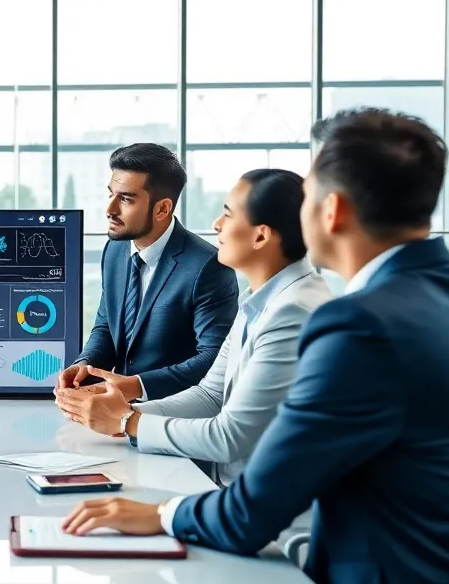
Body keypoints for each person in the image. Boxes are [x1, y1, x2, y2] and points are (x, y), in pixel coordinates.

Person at [60, 109, 449, 584]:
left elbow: (250, 513)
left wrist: (157, 512)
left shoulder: (359, 325)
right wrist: (123, 419)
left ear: (332, 211)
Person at [59, 169, 332, 488]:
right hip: (226, 490)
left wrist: (127, 421)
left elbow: (229, 437)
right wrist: (117, 411)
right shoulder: (259, 299)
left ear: (261, 235)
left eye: (228, 214)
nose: (217, 225)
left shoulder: (293, 312)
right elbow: (210, 394)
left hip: (266, 515)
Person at [55, 144, 238, 404]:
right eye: (111, 194)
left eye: (126, 198)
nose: (110, 209)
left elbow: (214, 357)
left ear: (162, 209)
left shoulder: (208, 266)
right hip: (116, 411)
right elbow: (106, 326)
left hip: (176, 415)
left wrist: (136, 386)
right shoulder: (115, 250)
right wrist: (86, 365)